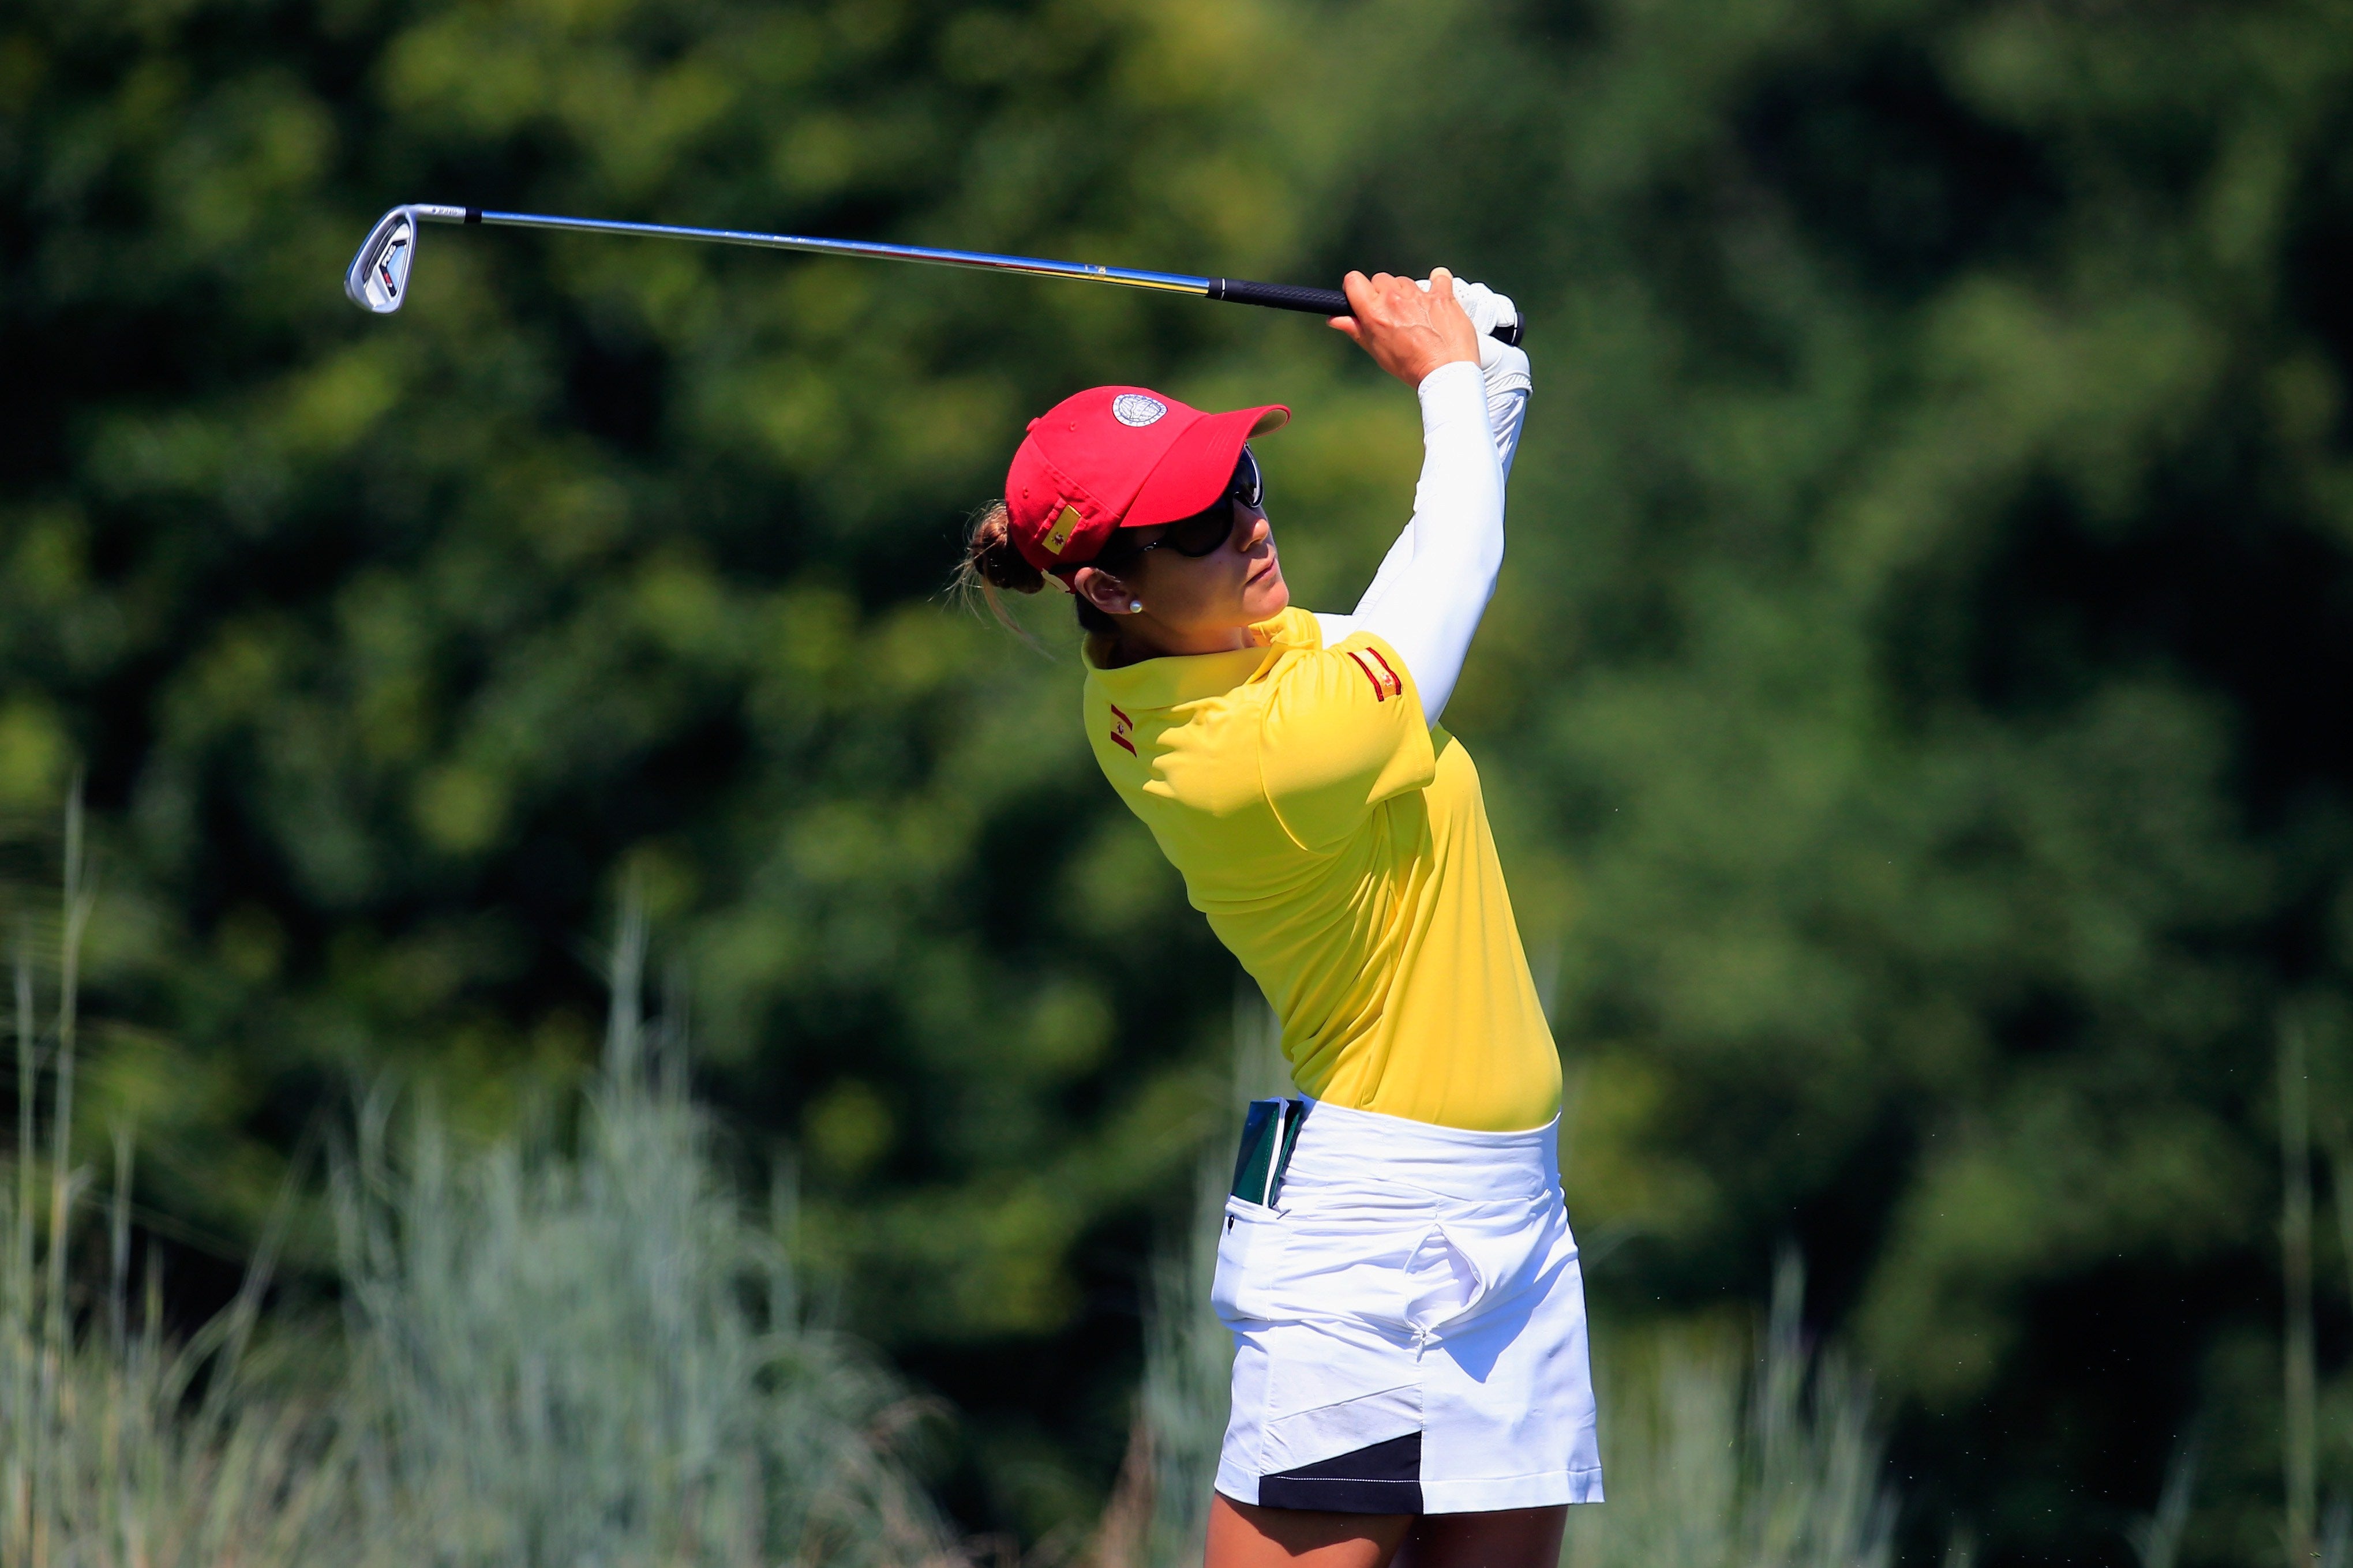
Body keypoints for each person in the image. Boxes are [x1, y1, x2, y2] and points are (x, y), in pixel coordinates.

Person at [957, 270, 1597, 1568]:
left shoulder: (1241, 651)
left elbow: (1425, 569)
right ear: (1111, 589)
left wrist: (1495, 380)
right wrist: (1443, 383)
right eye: (1197, 522)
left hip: (1512, 1211)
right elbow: (1449, 580)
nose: (1247, 522)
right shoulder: (1239, 750)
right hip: (1375, 1238)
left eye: (1239, 481)